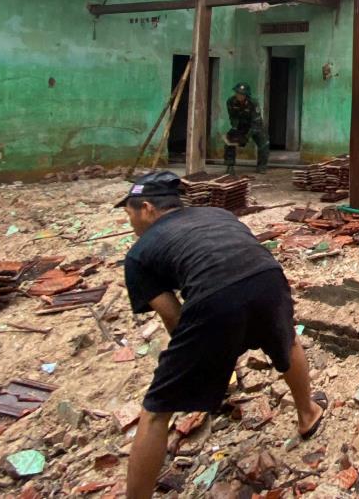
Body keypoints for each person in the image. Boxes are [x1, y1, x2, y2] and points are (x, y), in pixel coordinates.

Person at [116, 171, 324, 499]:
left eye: (129, 213)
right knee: (287, 342)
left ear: (147, 209)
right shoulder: (217, 214)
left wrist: (203, 359)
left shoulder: (139, 255)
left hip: (214, 296)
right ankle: (307, 414)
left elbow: (173, 316)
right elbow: (241, 256)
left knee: (156, 412)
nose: (130, 222)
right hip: (268, 277)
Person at [226, 82, 269, 174]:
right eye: (237, 93)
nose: (239, 95)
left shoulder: (253, 103)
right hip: (241, 125)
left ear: (246, 95)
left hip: (255, 126)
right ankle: (230, 166)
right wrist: (235, 129)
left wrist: (247, 137)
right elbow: (232, 117)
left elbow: (256, 122)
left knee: (264, 142)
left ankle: (262, 166)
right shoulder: (230, 101)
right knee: (229, 140)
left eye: (242, 94)